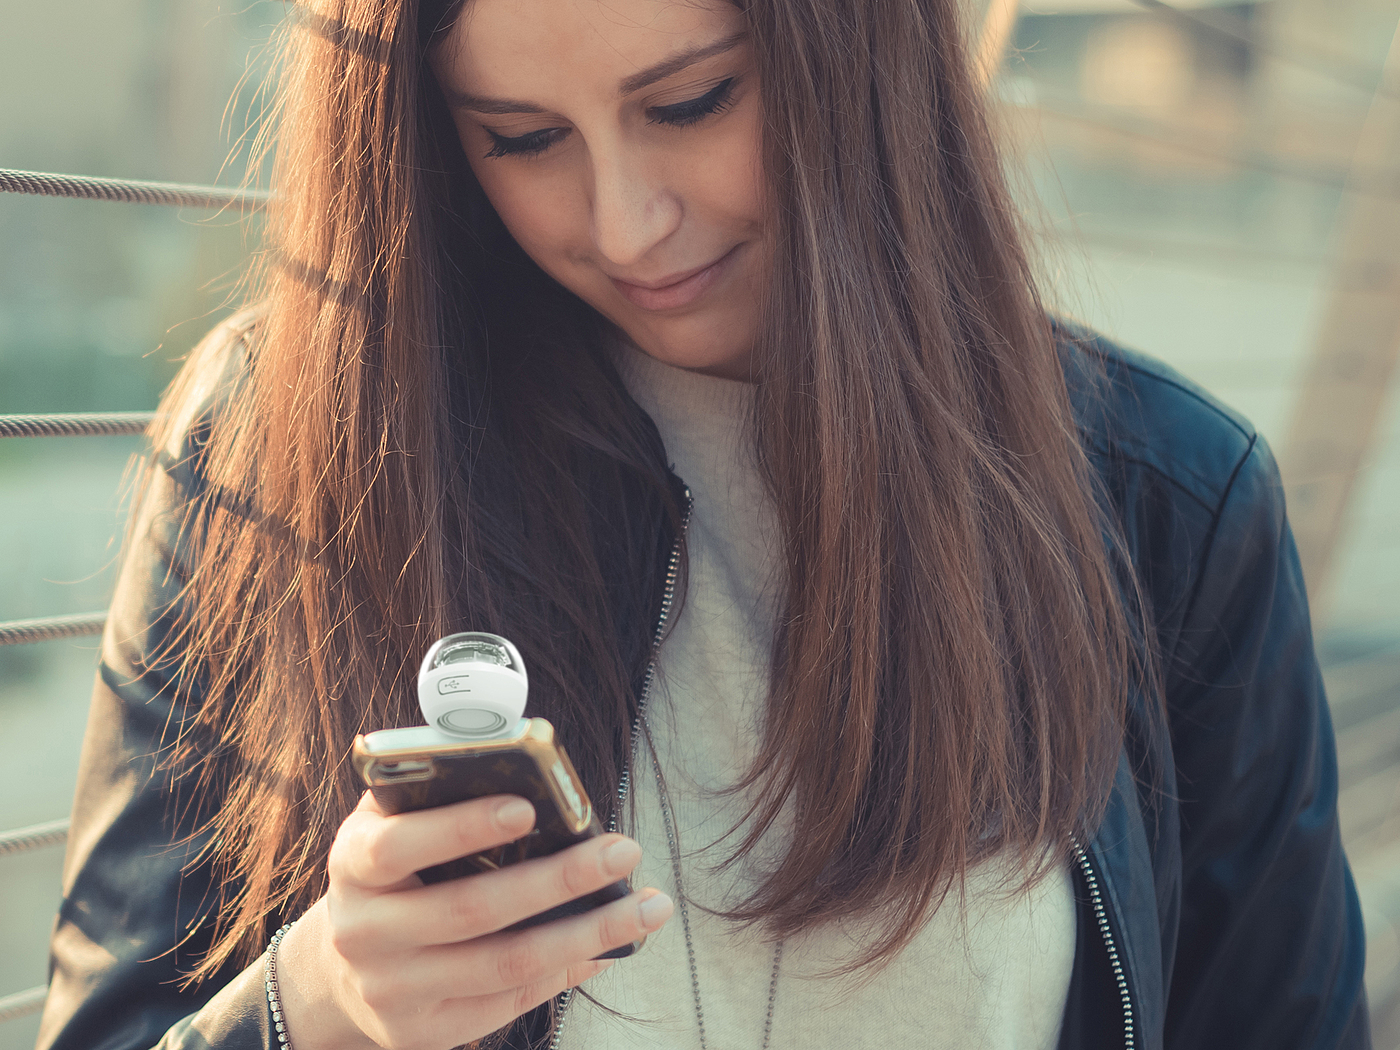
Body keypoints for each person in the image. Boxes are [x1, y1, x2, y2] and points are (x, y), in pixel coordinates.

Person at [36, 0, 1369, 1046]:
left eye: (689, 101)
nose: (627, 223)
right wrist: (314, 1001)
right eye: (520, 136)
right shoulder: (283, 447)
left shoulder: (1170, 506)